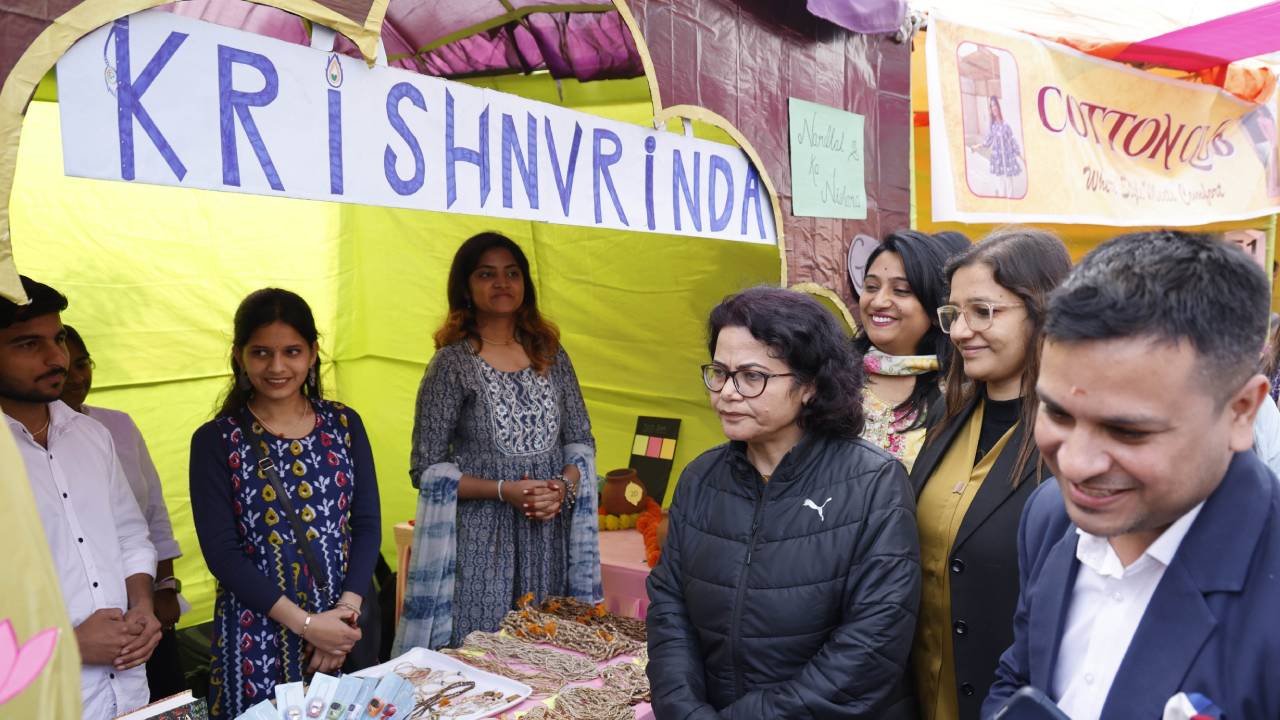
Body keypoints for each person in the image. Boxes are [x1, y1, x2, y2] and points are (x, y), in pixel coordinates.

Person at [984, 230, 1280, 719]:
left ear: (1242, 410)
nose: (1076, 465)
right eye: (1057, 413)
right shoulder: (1048, 517)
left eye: (1127, 432)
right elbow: (1020, 677)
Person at [647, 286, 922, 719]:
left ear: (809, 385)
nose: (728, 392)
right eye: (720, 373)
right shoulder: (700, 479)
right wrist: (684, 710)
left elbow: (872, 642)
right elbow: (669, 610)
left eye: (752, 376)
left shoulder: (874, 482)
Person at [393, 232, 600, 652]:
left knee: (547, 653)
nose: (502, 283)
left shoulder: (550, 353)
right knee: (480, 653)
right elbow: (426, 468)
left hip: (549, 535)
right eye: (486, 274)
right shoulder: (452, 364)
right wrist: (504, 490)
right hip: (481, 544)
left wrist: (562, 487)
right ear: (466, 287)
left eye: (512, 273)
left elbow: (580, 442)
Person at [189, 288, 381, 719]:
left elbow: (367, 523)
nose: (277, 367)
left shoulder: (344, 423)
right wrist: (309, 626)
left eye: (291, 351)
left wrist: (343, 617)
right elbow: (222, 554)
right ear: (239, 356)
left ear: (313, 353)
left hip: (344, 627)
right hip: (255, 637)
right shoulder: (217, 441)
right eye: (261, 353)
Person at [907, 229, 1071, 720]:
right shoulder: (945, 418)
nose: (959, 331)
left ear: (1042, 311)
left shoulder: (1074, 440)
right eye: (954, 314)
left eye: (983, 312)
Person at [0, 276, 159, 719]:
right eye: (28, 344)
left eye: (59, 339)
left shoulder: (91, 435)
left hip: (127, 690)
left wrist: (143, 607)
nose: (57, 358)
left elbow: (130, 535)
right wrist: (65, 646)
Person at [61, 325, 187, 699]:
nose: (76, 377)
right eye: (65, 369)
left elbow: (151, 513)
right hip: (83, 620)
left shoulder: (115, 425)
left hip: (142, 604)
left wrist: (164, 587)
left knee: (164, 692)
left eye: (82, 364)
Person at [856, 230, 967, 471]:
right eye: (871, 287)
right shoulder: (831, 377)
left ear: (935, 307)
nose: (878, 301)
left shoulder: (959, 390)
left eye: (901, 291)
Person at [971, 96, 1022, 198]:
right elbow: (987, 142)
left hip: (1007, 159)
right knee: (1001, 185)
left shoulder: (1006, 125)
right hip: (998, 160)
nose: (993, 108)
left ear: (998, 106)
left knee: (1009, 184)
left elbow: (1012, 141)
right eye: (991, 106)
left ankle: (1011, 204)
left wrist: (1021, 156)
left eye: (994, 105)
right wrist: (976, 146)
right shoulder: (993, 127)